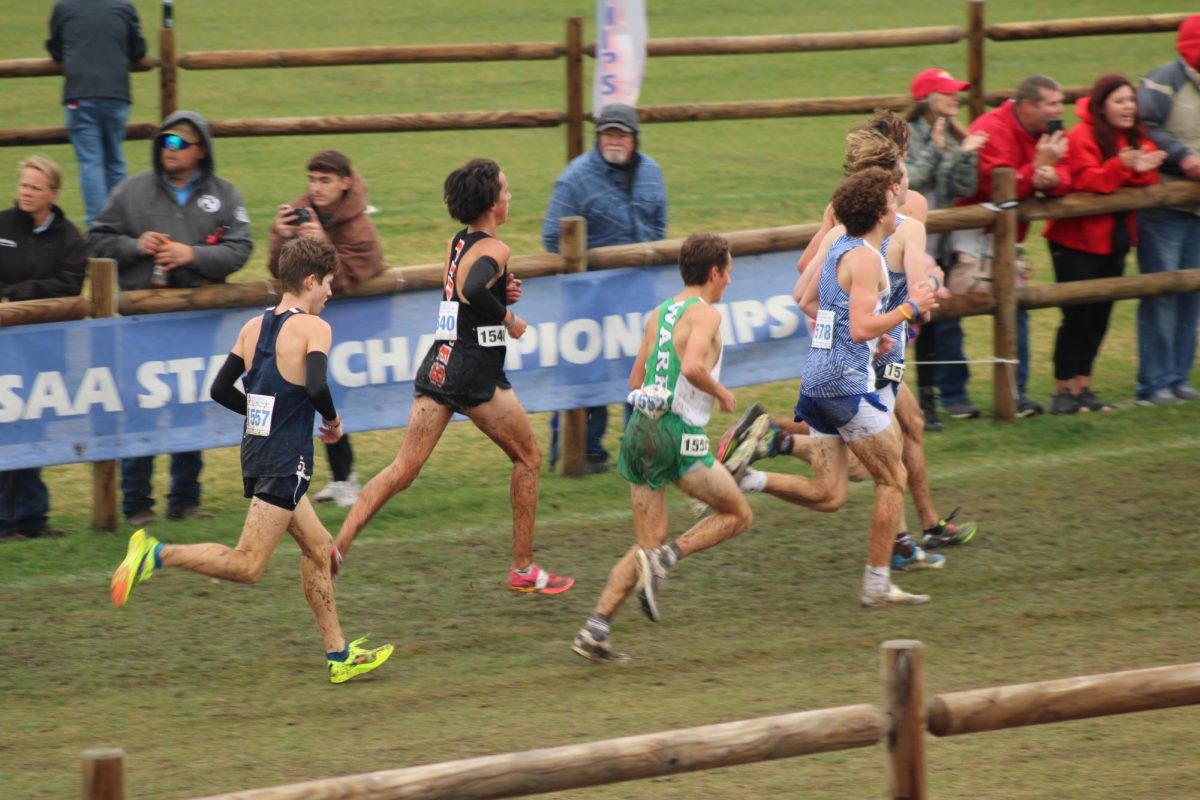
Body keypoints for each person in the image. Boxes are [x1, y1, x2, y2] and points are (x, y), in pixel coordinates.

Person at [110, 237, 393, 684]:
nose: (331, 294)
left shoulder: (252, 327)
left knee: (319, 550)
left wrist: (263, 413)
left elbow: (221, 390)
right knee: (248, 564)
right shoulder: (314, 328)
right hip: (285, 459)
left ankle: (339, 656)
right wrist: (334, 424)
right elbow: (317, 388)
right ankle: (156, 553)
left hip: (257, 451)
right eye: (329, 285)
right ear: (311, 280)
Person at [334, 158, 573, 595]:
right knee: (529, 459)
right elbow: (471, 289)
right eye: (505, 189)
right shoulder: (495, 250)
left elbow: (463, 289)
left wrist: (502, 289)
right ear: (491, 203)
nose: (510, 195)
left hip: (439, 364)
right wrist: (508, 316)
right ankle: (522, 569)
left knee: (403, 469)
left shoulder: (457, 242)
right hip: (474, 372)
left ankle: (336, 547)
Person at [777, 118, 977, 556]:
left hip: (882, 333)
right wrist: (901, 294)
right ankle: (904, 539)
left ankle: (922, 526)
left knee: (910, 426)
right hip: (877, 335)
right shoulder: (892, 209)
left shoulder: (877, 205)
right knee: (870, 457)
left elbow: (805, 273)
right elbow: (902, 267)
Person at [755, 168, 936, 608]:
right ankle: (876, 585)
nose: (900, 209)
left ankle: (745, 477)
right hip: (843, 385)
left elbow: (813, 303)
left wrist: (876, 338)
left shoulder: (840, 244)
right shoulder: (870, 259)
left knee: (830, 493)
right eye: (894, 203)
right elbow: (858, 327)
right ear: (879, 213)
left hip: (816, 380)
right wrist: (907, 310)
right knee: (893, 476)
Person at [572, 233, 752, 663]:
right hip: (676, 433)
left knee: (643, 544)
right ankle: (670, 556)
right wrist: (721, 393)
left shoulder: (658, 314)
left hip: (638, 432)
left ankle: (594, 630)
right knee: (738, 514)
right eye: (728, 273)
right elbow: (691, 366)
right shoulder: (705, 315)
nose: (729, 281)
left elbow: (636, 380)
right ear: (714, 273)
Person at [89, 111, 253, 527]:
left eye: (178, 144)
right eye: (164, 141)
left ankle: (185, 500)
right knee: (140, 407)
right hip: (142, 322)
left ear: (201, 150)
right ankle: (136, 505)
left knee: (191, 408)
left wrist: (192, 255)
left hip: (196, 322)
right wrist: (133, 245)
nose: (168, 149)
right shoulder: (131, 192)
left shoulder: (225, 194)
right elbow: (96, 239)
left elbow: (240, 248)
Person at [542, 103, 668, 472]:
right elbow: (552, 236)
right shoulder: (575, 178)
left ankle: (639, 445)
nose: (614, 140)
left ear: (634, 139)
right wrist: (592, 265)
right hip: (590, 297)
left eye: (621, 134)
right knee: (585, 370)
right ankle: (578, 451)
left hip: (640, 292)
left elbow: (659, 225)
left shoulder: (652, 173)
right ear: (598, 137)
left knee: (644, 368)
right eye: (607, 134)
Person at [269, 149, 387, 506]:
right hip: (312, 326)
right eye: (312, 179)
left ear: (345, 182)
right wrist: (279, 235)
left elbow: (350, 275)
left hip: (356, 326)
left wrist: (320, 240)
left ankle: (345, 477)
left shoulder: (360, 224)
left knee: (333, 398)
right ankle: (340, 477)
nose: (315, 188)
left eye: (325, 180)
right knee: (316, 397)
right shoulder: (302, 211)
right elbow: (281, 269)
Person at [952, 75, 1073, 418]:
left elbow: (1068, 172)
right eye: (1051, 103)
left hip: (1008, 236)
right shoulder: (993, 128)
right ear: (1027, 105)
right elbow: (995, 186)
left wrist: (1052, 179)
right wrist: (1037, 169)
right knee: (953, 306)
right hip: (969, 230)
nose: (1058, 109)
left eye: (1059, 102)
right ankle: (952, 394)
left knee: (1015, 307)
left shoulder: (1050, 132)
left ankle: (1015, 393)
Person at [1044, 75, 1165, 414]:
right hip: (1076, 241)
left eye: (1131, 100)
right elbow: (1084, 181)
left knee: (1101, 316)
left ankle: (1084, 386)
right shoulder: (1082, 134)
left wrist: (1131, 168)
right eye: (1120, 101)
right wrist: (1122, 166)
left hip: (1116, 240)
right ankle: (1062, 390)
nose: (1128, 107)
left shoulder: (1135, 134)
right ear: (1102, 105)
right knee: (1077, 316)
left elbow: (1149, 172)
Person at [0, 156, 87, 542]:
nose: (25, 192)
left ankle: (33, 519)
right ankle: (5, 523)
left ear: (53, 193)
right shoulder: (2, 225)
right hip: (5, 348)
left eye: (35, 187)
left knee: (35, 432)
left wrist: (13, 296)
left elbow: (67, 286)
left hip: (44, 349)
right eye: (22, 184)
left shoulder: (70, 240)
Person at [905, 68, 988, 425]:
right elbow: (912, 181)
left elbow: (962, 187)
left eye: (957, 92)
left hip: (938, 243)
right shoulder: (903, 136)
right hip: (907, 246)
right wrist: (938, 151)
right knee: (908, 326)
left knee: (935, 322)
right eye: (948, 92)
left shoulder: (952, 135)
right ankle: (917, 403)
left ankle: (931, 403)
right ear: (927, 98)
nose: (957, 97)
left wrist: (964, 153)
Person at [1134, 15, 1200, 405]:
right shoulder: (1164, 80)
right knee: (1160, 292)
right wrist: (1183, 157)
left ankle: (1177, 378)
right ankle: (1152, 384)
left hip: (1196, 208)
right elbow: (1144, 125)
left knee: (1191, 293)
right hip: (1165, 205)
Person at [45, 0, 147, 227]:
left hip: (80, 94)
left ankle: (98, 225)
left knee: (90, 163)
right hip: (116, 94)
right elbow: (138, 50)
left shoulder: (64, 7)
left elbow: (55, 50)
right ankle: (120, 222)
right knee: (115, 161)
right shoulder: (123, 6)